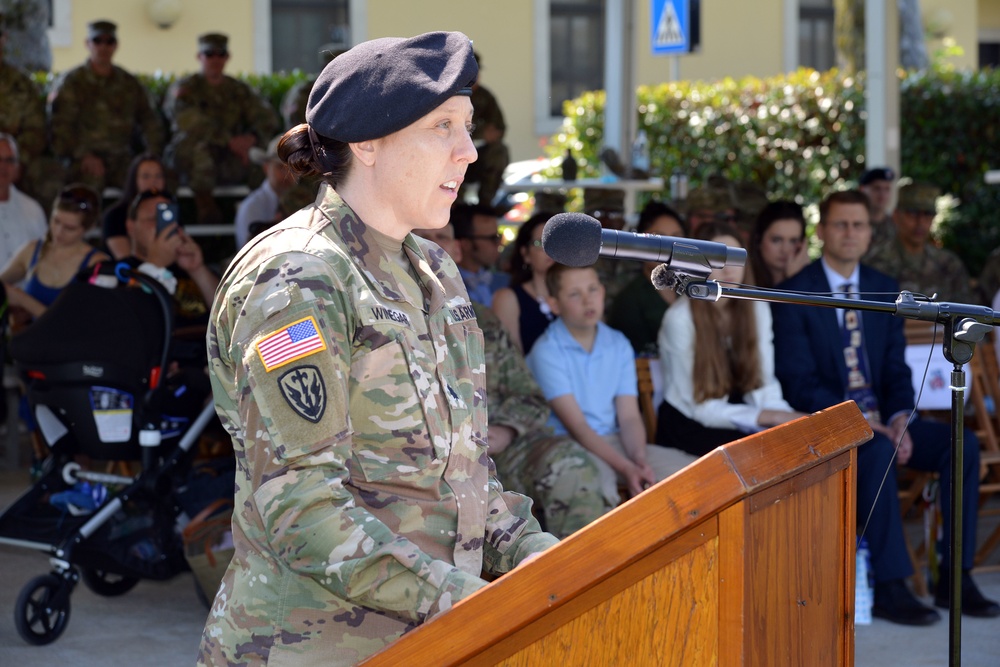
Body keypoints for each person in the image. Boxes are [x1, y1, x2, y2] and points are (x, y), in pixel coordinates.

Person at [196, 32, 558, 666]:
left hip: (435, 640)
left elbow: (465, 477)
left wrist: (539, 556)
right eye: (444, 127)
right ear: (366, 144)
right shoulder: (299, 279)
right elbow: (302, 510)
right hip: (310, 649)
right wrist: (469, 602)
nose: (468, 153)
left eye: (468, 128)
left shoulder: (435, 274)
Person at [771, 189, 999, 625]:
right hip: (828, 424)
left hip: (885, 421)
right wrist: (863, 422)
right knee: (874, 449)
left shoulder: (883, 288)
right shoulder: (796, 292)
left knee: (962, 444)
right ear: (821, 231)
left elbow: (896, 370)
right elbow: (798, 383)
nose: (850, 233)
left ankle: (955, 578)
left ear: (870, 232)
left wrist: (900, 419)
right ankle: (892, 586)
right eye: (840, 224)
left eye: (859, 225)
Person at [414, 223, 615, 538]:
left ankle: (581, 578)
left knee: (571, 466)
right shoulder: (380, 318)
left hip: (498, 450)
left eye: (441, 238)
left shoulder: (482, 321)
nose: (429, 245)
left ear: (456, 251)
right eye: (419, 236)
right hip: (421, 461)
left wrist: (506, 430)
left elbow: (530, 398)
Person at [526, 263, 696, 499]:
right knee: (596, 486)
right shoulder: (546, 351)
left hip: (616, 441)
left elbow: (628, 416)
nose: (588, 300)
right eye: (575, 294)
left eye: (593, 289)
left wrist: (638, 459)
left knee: (695, 472)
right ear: (554, 304)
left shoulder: (617, 343)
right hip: (568, 444)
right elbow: (579, 428)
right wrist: (626, 468)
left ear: (603, 291)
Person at [655, 221, 803, 458]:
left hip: (735, 416)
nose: (728, 269)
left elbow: (763, 384)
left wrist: (788, 418)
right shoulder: (680, 320)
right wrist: (769, 417)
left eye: (734, 258)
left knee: (797, 445)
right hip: (689, 424)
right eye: (716, 261)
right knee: (760, 454)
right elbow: (701, 409)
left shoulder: (756, 308)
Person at [163, 33, 279, 224]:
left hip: (229, 158)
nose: (215, 59)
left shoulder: (238, 90)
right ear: (199, 57)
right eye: (209, 54)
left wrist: (251, 138)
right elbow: (190, 123)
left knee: (262, 159)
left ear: (227, 57)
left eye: (220, 54)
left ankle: (265, 215)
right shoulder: (186, 89)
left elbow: (267, 118)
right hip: (190, 161)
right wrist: (230, 141)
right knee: (198, 149)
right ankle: (205, 209)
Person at [47, 21, 164, 192]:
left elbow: (149, 120)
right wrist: (83, 155)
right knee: (89, 185)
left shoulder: (128, 84)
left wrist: (151, 156)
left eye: (109, 41)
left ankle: (146, 219)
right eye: (97, 41)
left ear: (116, 46)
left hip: (122, 158)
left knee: (151, 181)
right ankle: (92, 220)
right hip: (82, 159)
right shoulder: (72, 83)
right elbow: (60, 127)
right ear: (87, 44)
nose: (103, 47)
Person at [1, 184, 106, 326]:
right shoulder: (32, 250)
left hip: (70, 346)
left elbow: (75, 327)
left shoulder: (96, 264)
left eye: (69, 228)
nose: (58, 232)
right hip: (29, 344)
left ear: (88, 229)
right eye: (56, 221)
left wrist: (23, 300)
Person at [866, 182, 976, 304]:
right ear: (896, 216)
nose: (920, 223)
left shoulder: (948, 264)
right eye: (912, 214)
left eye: (927, 215)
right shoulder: (875, 261)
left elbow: (965, 312)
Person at [606, 200, 687, 356]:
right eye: (659, 238)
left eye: (677, 237)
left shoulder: (695, 288)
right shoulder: (628, 301)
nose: (670, 246)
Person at [490, 213, 556, 354]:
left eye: (557, 241)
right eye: (541, 243)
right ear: (525, 254)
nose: (551, 250)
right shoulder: (508, 299)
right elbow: (511, 362)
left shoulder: (583, 293)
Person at [460, 51, 509, 206]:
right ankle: (455, 207)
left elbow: (499, 128)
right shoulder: (449, 96)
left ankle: (485, 204)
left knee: (499, 151)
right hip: (452, 154)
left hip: (475, 158)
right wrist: (481, 132)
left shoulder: (484, 96)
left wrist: (490, 135)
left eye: (477, 72)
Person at [0, 15, 45, 182]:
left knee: (47, 175)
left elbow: (36, 130)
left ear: (4, 39)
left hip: (14, 160)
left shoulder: (21, 84)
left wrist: (12, 161)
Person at [233, 135, 296, 248]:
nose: (288, 175)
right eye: (280, 167)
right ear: (266, 168)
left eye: (293, 169)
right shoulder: (252, 207)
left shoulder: (305, 201)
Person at [101, 153, 167, 259]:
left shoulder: (171, 212)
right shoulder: (115, 216)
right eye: (146, 176)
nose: (153, 182)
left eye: (158, 176)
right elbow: (125, 259)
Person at [0, 134, 47, 271]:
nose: (3, 167)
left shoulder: (32, 209)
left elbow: (43, 258)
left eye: (9, 160)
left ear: (17, 168)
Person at [451, 202, 509, 306]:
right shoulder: (446, 284)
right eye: (493, 238)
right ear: (466, 244)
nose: (499, 243)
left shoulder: (505, 282)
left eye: (499, 237)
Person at [747, 199, 809, 289]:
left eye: (793, 241)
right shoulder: (743, 282)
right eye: (776, 240)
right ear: (758, 240)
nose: (785, 250)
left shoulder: (814, 284)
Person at [859, 166, 896, 260]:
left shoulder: (897, 225)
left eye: (887, 189)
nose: (882, 194)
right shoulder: (853, 224)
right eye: (877, 188)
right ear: (862, 189)